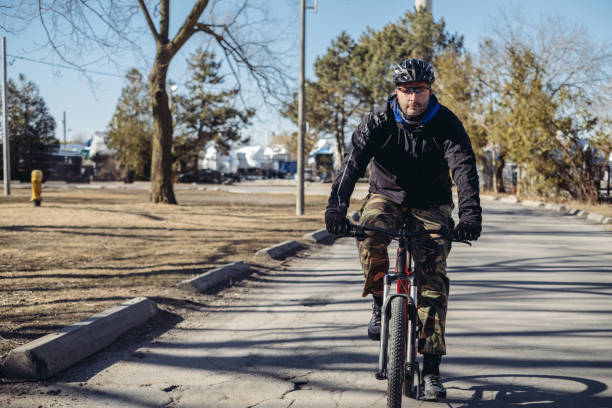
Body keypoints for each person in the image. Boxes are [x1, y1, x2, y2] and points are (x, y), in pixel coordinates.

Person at [324, 58, 482, 401]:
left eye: (421, 90)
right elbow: (351, 165)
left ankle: (432, 368)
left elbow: (465, 169)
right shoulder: (378, 122)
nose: (415, 97)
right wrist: (336, 209)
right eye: (408, 90)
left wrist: (470, 216)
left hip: (432, 204)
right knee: (368, 229)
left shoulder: (447, 123)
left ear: (430, 90)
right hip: (386, 196)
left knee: (433, 277)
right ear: (396, 92)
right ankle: (381, 301)